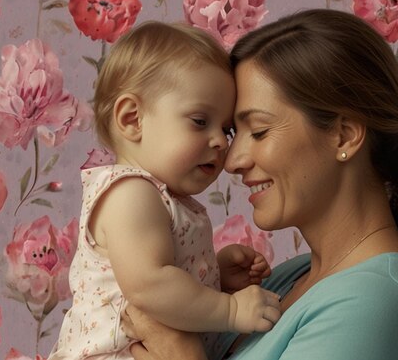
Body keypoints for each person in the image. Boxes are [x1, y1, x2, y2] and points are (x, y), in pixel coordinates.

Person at [122, 9, 398, 360]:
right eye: (235, 132)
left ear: (344, 135)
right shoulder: (290, 278)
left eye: (259, 131)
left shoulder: (377, 303)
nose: (233, 160)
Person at [48, 21, 281, 360]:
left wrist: (212, 276)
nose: (220, 141)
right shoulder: (131, 194)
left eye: (226, 130)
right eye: (200, 121)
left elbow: (167, 284)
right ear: (132, 119)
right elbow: (149, 286)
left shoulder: (163, 199)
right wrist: (229, 309)